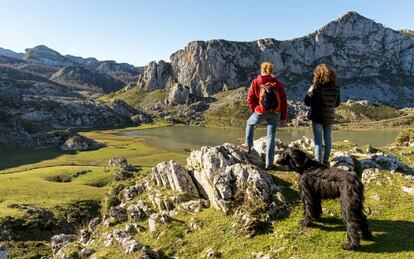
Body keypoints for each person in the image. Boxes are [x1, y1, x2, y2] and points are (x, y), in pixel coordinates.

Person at [240, 61, 288, 170]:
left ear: (261, 70)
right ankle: (269, 163)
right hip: (275, 113)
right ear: (271, 71)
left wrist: (255, 109)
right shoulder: (277, 84)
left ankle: (248, 145)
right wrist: (283, 117)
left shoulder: (256, 82)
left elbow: (250, 99)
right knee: (271, 136)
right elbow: (284, 101)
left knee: (250, 123)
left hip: (261, 112)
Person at [304, 64, 340, 165]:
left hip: (317, 117)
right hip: (329, 117)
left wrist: (309, 92)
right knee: (328, 138)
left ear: (318, 74)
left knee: (318, 141)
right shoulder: (336, 88)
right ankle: (325, 161)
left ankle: (318, 162)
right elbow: (337, 103)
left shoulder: (316, 87)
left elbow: (307, 102)